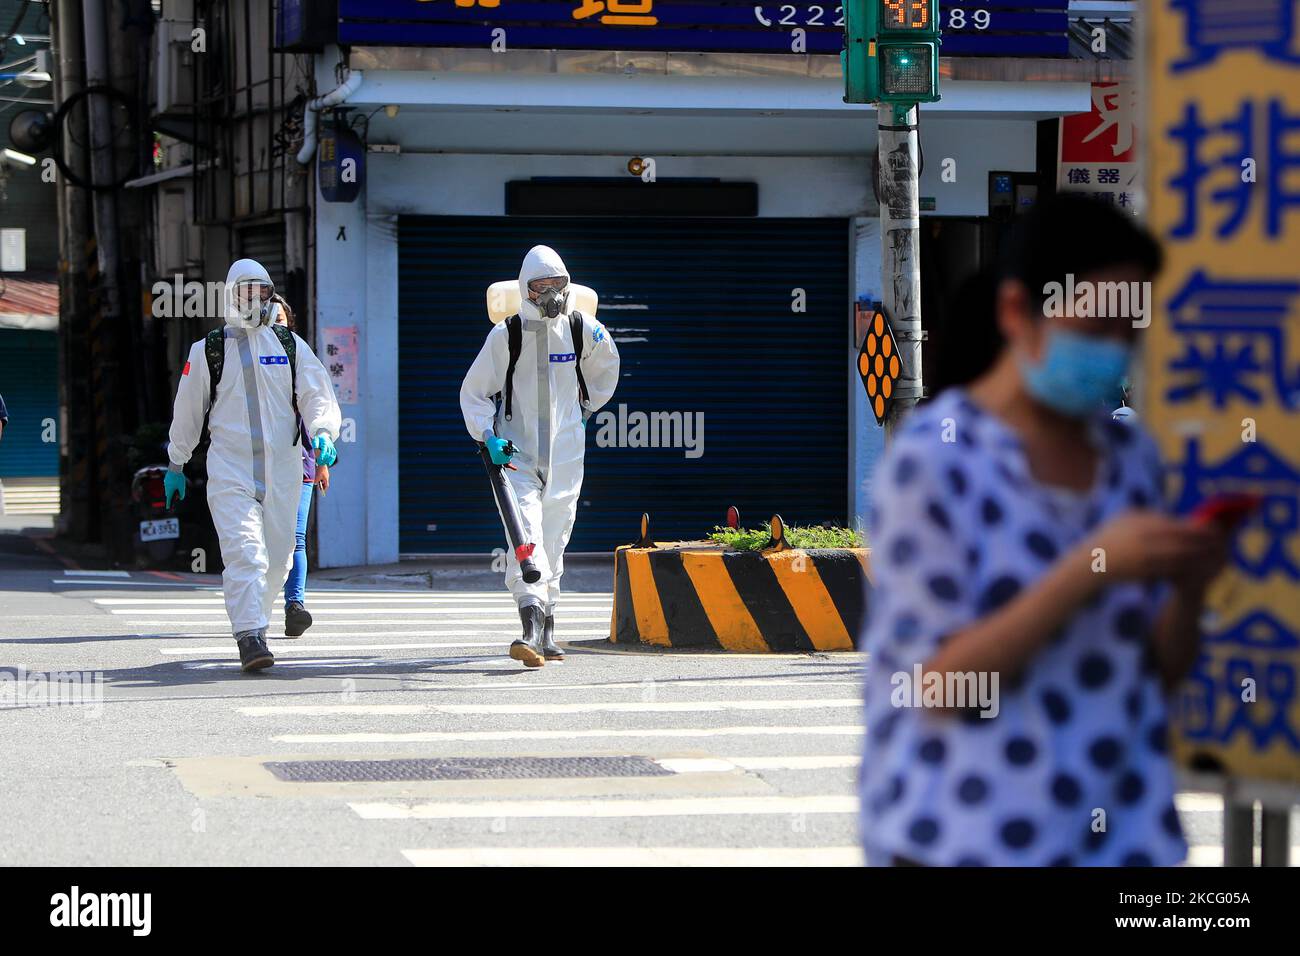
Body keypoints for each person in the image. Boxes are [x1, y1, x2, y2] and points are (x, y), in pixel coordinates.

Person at [859, 194, 1233, 866]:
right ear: (1016, 314)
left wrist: (1190, 588)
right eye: (1094, 327)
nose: (1112, 351)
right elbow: (939, 686)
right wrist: (1091, 566)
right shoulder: (935, 461)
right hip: (971, 838)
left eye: (1128, 332)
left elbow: (1155, 673)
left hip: (1126, 838)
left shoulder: (1130, 459)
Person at [165, 260, 342, 671]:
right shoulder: (208, 349)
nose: (255, 300)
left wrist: (324, 433)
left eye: (262, 292)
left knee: (278, 559)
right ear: (231, 295)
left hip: (284, 471)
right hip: (231, 471)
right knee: (246, 553)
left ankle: (256, 622)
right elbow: (188, 411)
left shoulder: (290, 346)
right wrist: (177, 461)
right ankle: (249, 636)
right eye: (247, 292)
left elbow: (318, 395)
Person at [460, 245, 620, 668]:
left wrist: (585, 410)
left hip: (567, 453)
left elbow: (606, 369)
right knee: (526, 536)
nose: (550, 293)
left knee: (555, 536)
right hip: (517, 455)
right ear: (525, 289)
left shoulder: (583, 328)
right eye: (540, 286)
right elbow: (474, 391)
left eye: (557, 285)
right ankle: (529, 626)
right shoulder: (506, 335)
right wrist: (487, 435)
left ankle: (548, 629)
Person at [271, 294, 331, 637]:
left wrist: (323, 461)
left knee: (296, 537)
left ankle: (295, 605)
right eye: (271, 318)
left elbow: (317, 412)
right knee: (266, 540)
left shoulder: (300, 358)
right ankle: (257, 605)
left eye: (282, 319)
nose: (277, 324)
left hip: (303, 464)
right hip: (260, 466)